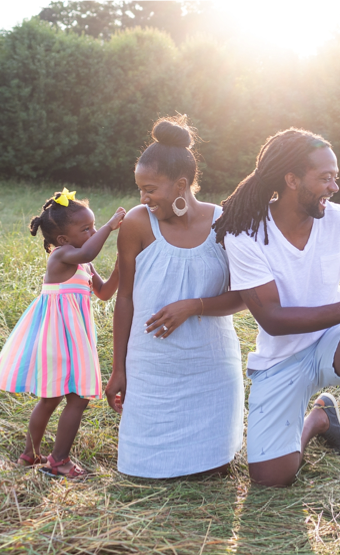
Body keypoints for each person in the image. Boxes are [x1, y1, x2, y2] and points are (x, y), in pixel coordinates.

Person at [214, 128, 340, 548]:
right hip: (281, 354)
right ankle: (320, 418)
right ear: (291, 179)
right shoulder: (245, 232)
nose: (335, 186)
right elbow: (272, 319)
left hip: (335, 339)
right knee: (272, 477)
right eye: (325, 177)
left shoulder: (339, 220)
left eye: (336, 176)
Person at [106, 116, 245, 479]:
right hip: (153, 367)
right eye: (140, 189)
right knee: (141, 473)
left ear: (181, 185)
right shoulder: (137, 224)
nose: (143, 198)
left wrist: (195, 306)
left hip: (210, 368)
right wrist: (118, 368)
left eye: (151, 189)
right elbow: (125, 299)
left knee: (211, 474)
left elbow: (245, 298)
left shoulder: (225, 223)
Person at [0, 189, 126, 479]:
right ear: (63, 239)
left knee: (54, 399)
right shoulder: (63, 256)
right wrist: (110, 225)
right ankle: (58, 460)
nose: (92, 231)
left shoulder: (82, 262)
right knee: (72, 398)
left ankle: (30, 456)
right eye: (86, 228)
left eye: (94, 225)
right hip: (58, 337)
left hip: (72, 336)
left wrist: (120, 267)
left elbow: (104, 293)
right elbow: (89, 250)